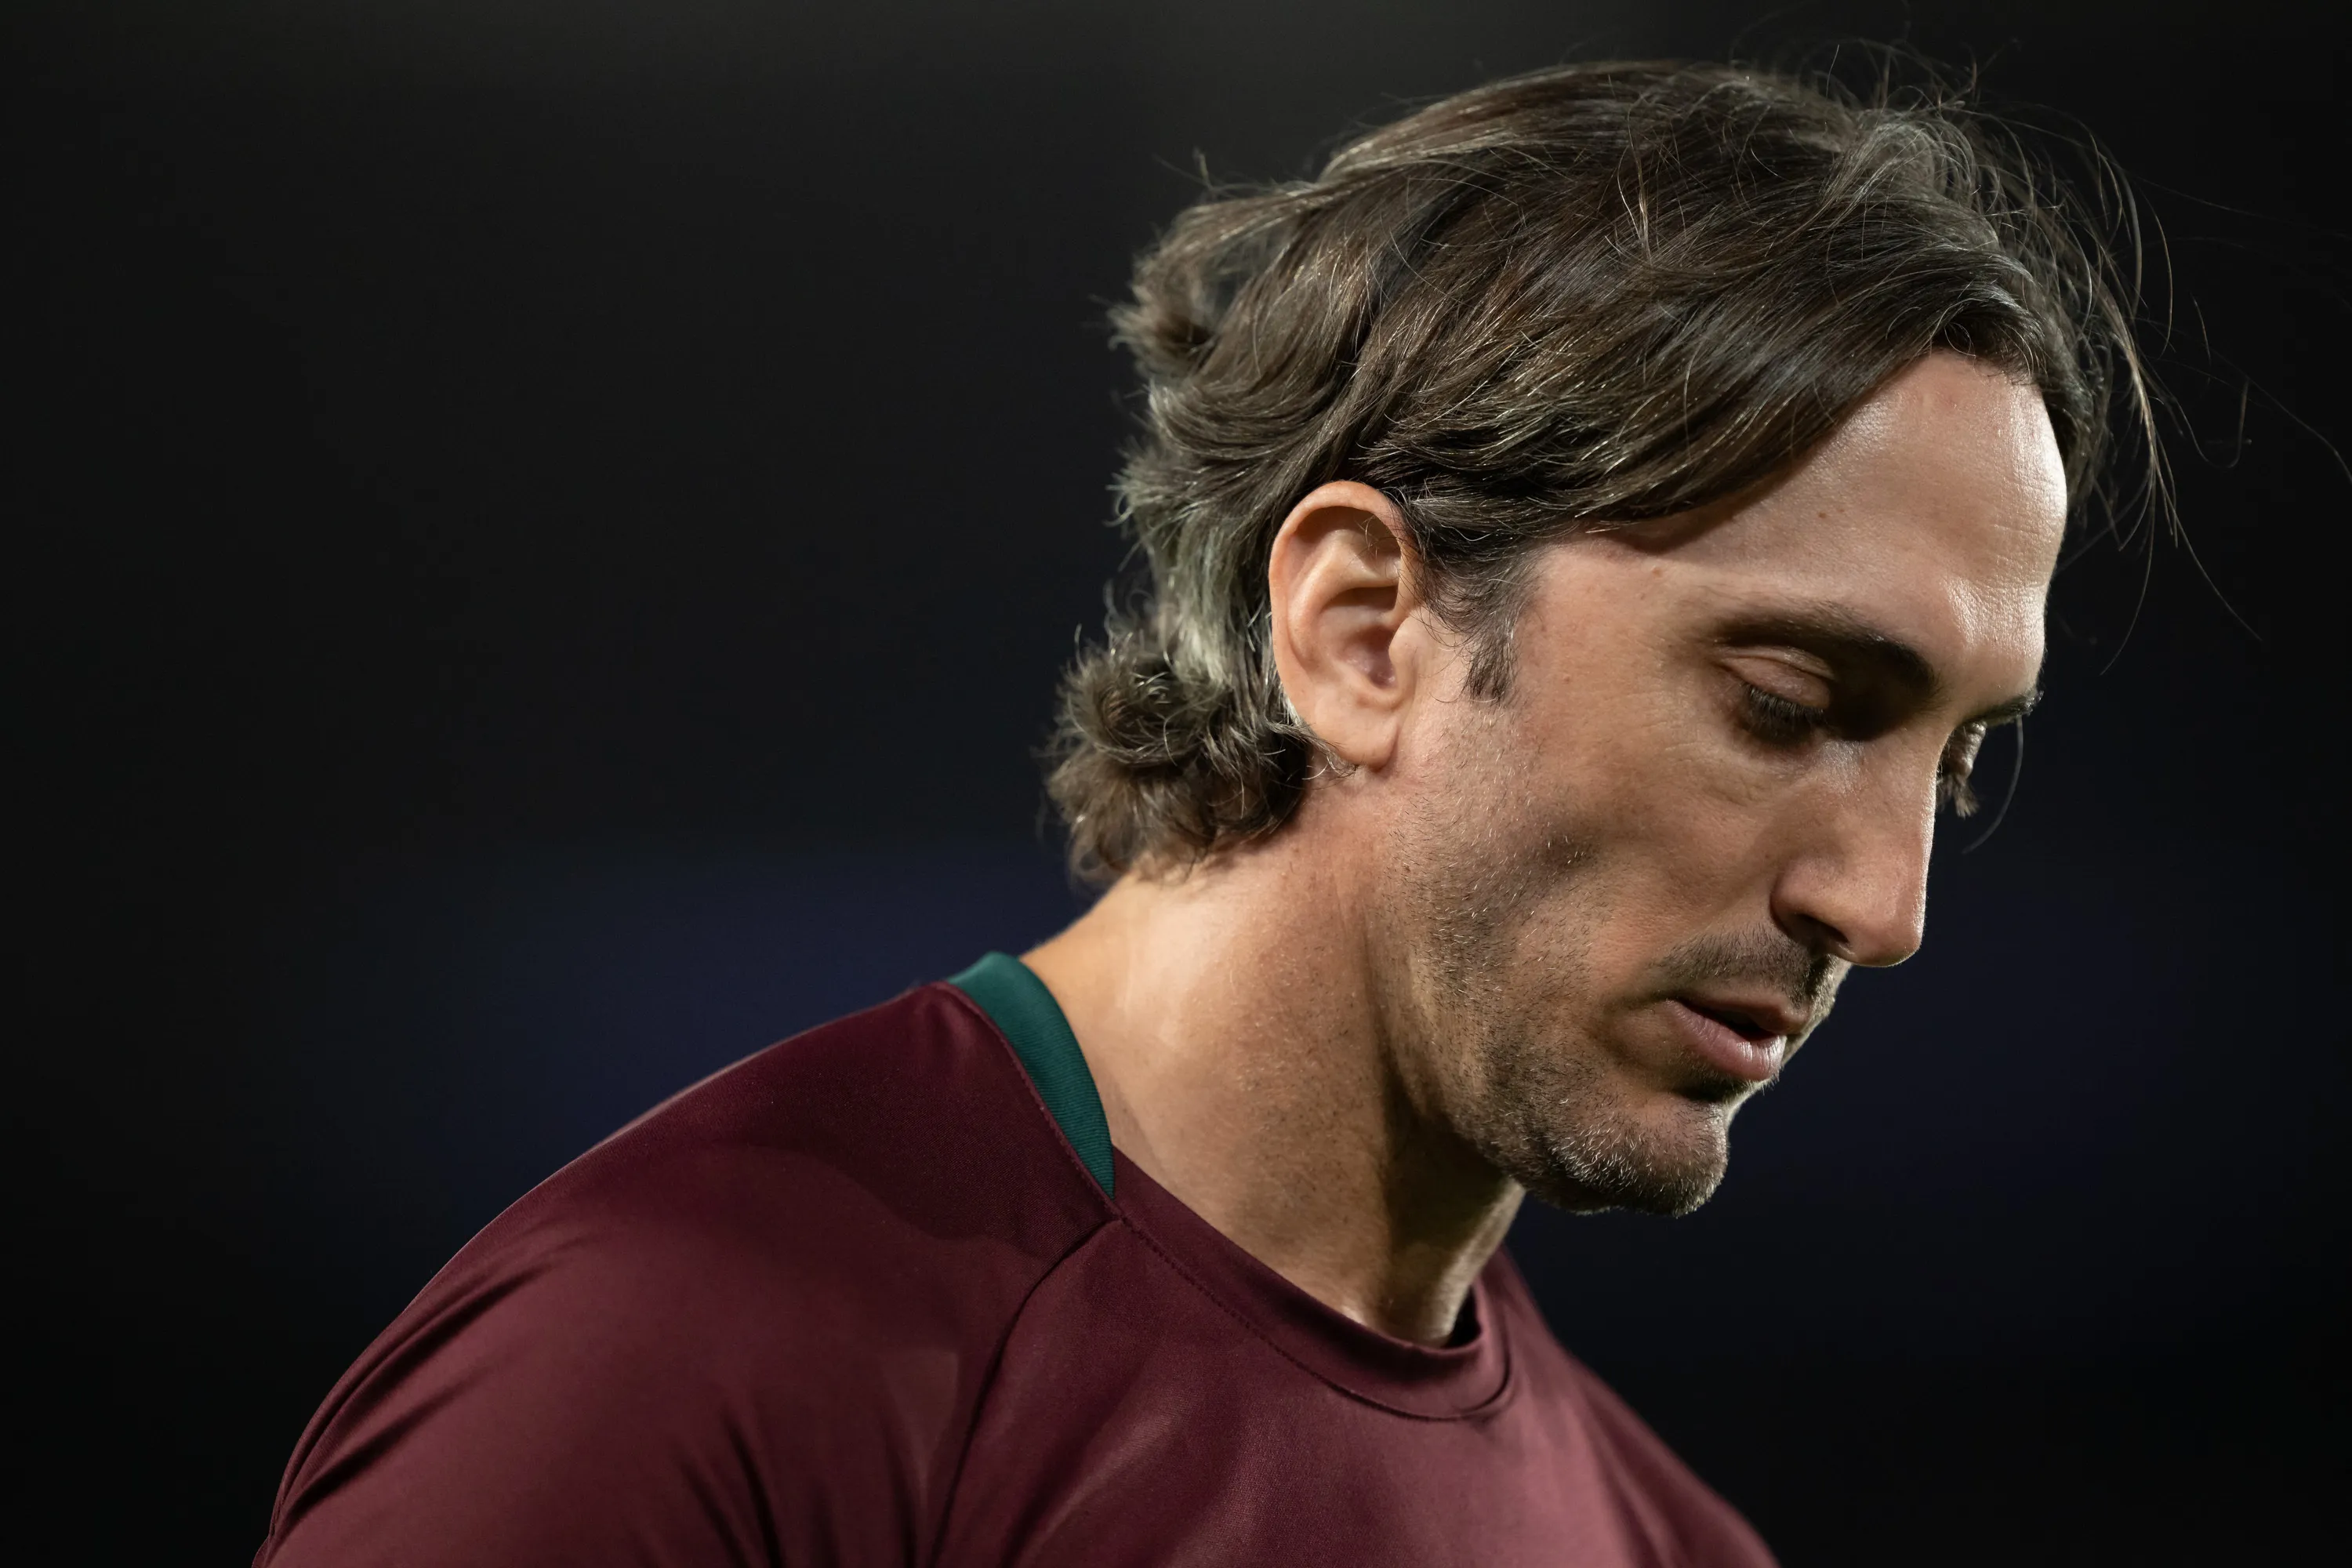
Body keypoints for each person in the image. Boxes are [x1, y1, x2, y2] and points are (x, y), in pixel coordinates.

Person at [256, 60, 2146, 1566]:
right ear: (1360, 626)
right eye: (1791, 705)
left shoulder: (1673, 1544)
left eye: (1957, 763)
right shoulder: (683, 1364)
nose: (1884, 905)